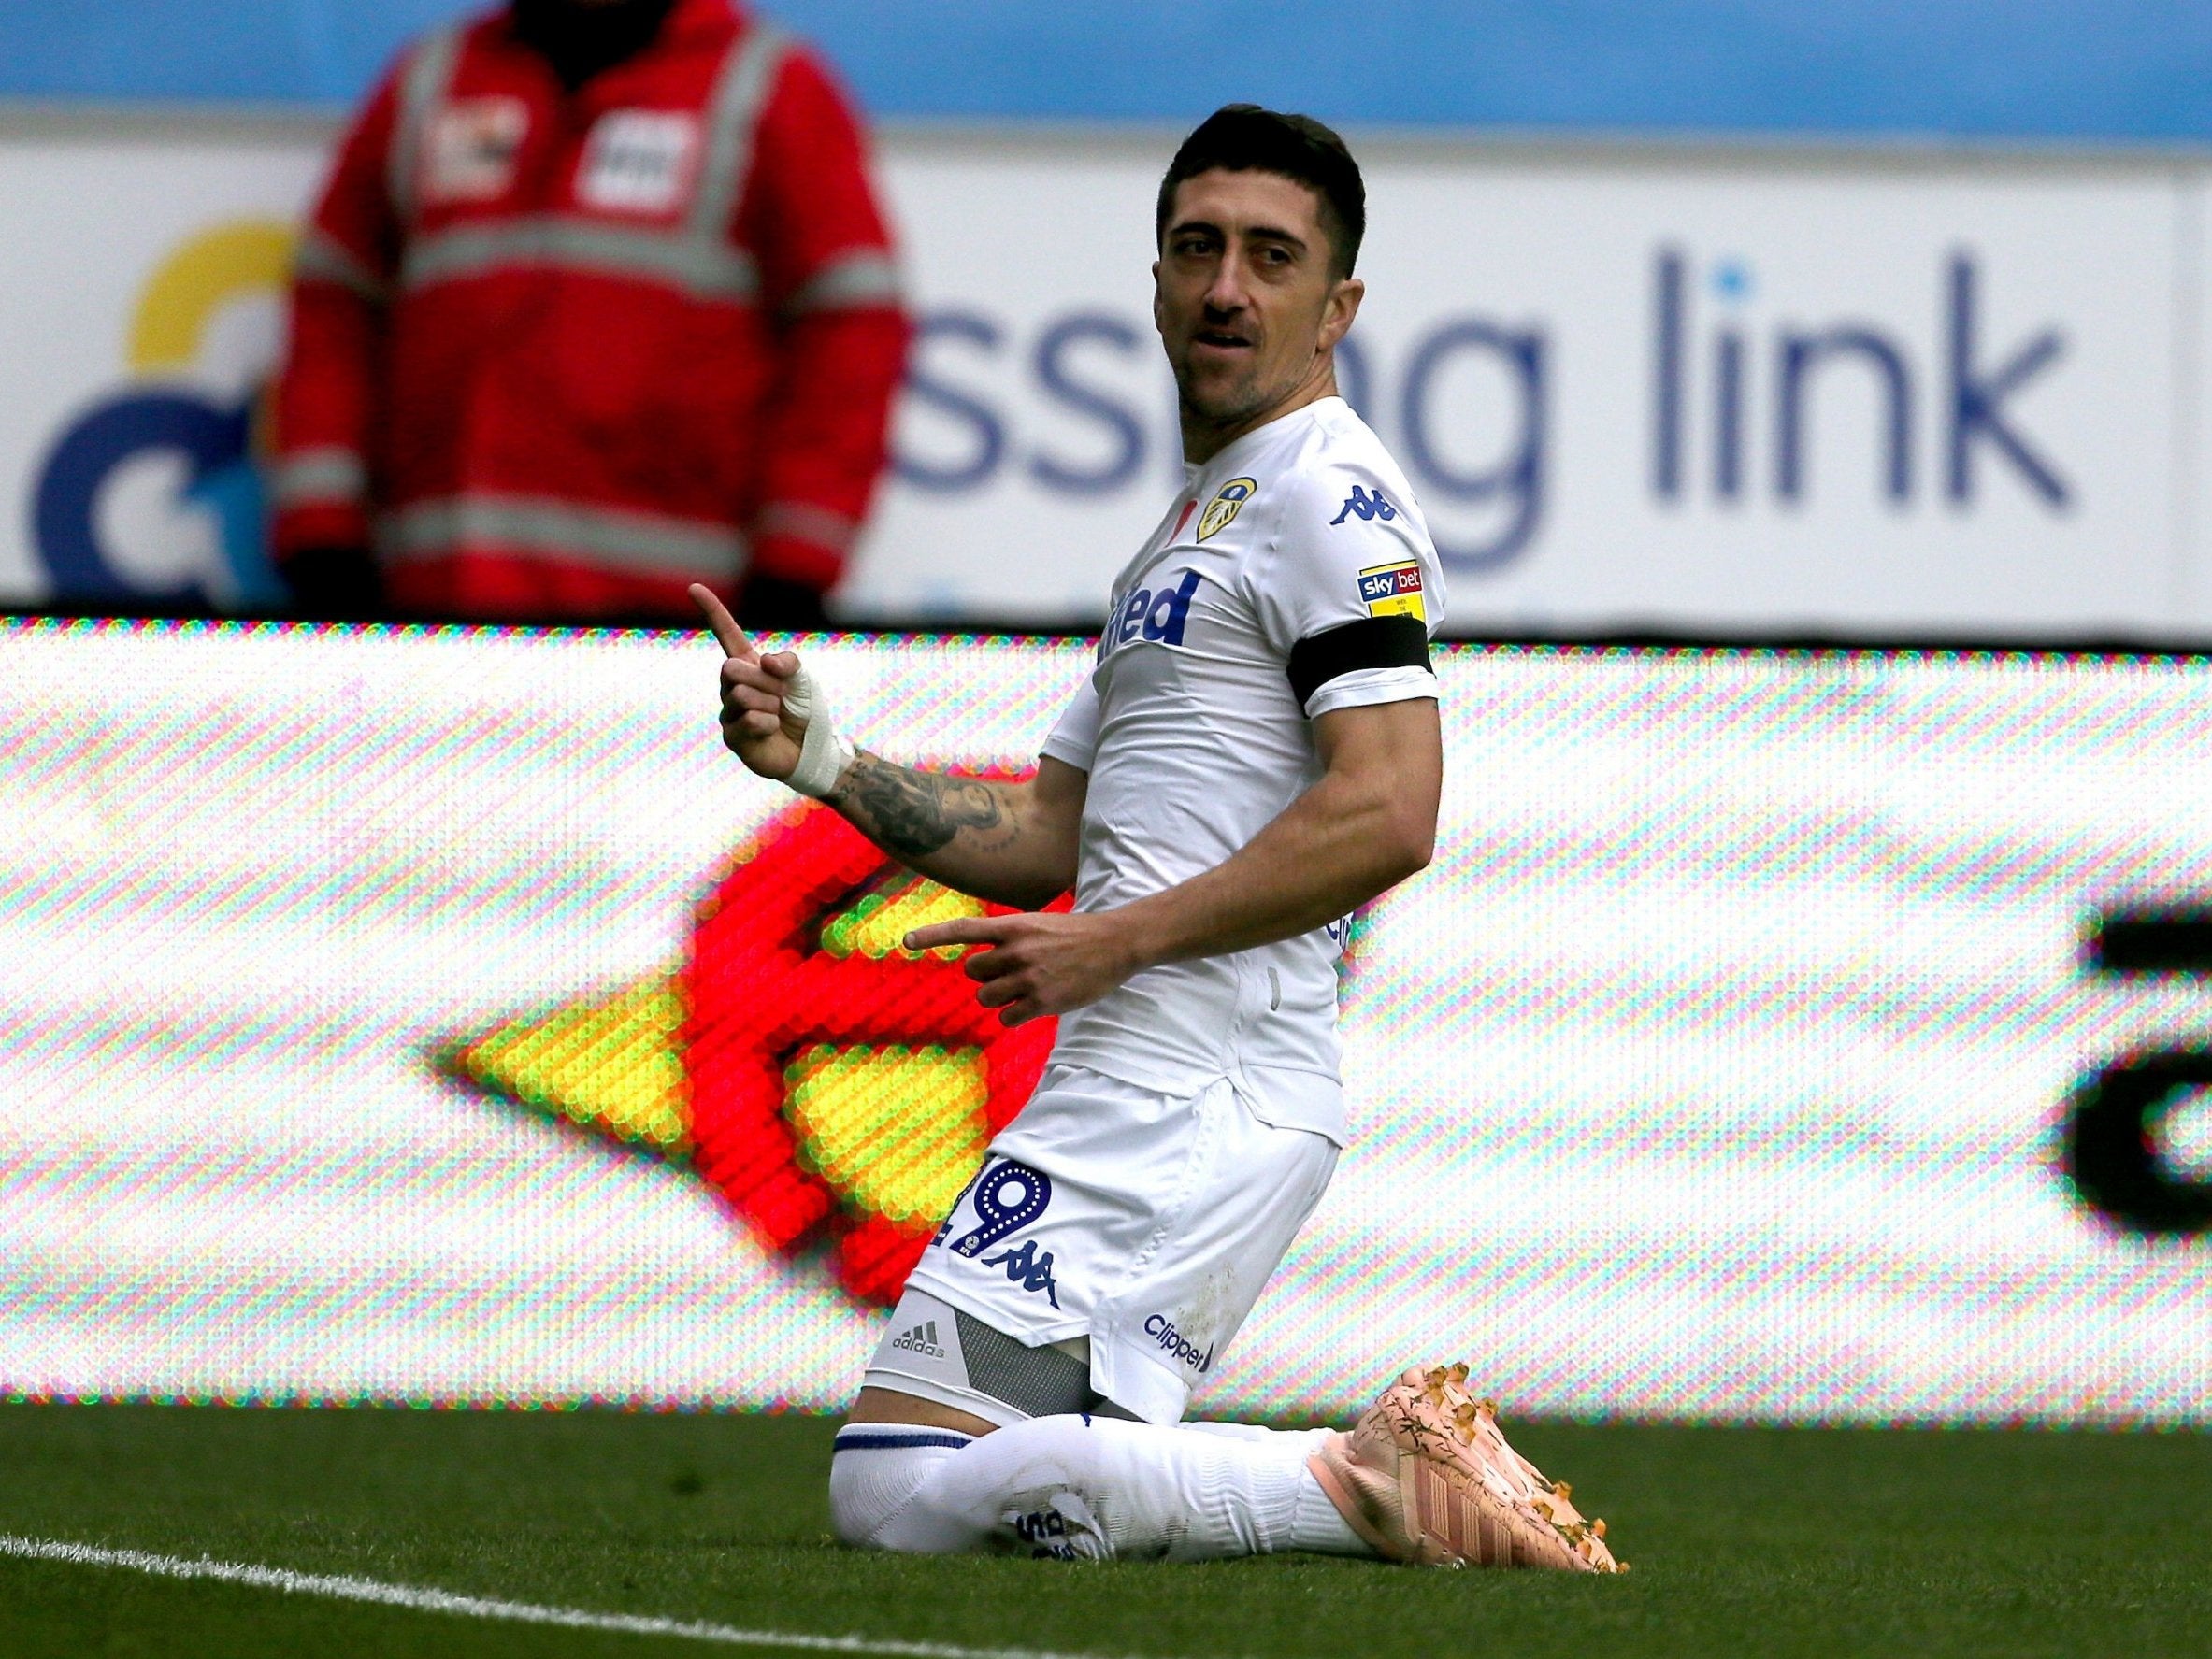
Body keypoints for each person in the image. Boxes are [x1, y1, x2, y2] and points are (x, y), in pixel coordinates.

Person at [693, 106, 1623, 1571]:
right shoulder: (1197, 526)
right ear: (1153, 277)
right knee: (995, 1494)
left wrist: (1116, 940)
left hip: (1198, 1085)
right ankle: (1358, 1480)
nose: (1225, 287)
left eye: (1271, 255)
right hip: (1148, 1077)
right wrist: (823, 757)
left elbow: (1390, 805)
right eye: (1197, 248)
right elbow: (1048, 827)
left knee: (894, 1486)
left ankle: (1357, 1478)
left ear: (1339, 307)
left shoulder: (1331, 495)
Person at [271, 0, 906, 629]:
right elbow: (334, 303)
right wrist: (323, 538)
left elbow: (850, 327)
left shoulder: (766, 82)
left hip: (672, 639)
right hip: (432, 621)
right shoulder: (435, 77)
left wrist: (794, 568)